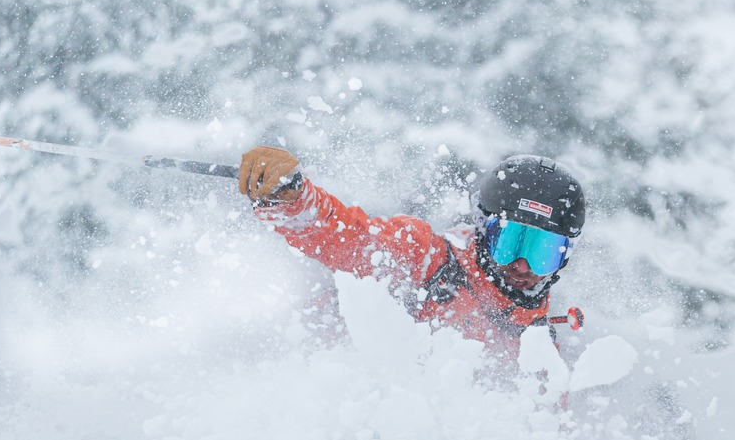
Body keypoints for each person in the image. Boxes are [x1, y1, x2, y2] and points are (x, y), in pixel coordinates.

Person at [236, 144, 585, 350]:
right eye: (510, 244)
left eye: (544, 252)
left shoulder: (541, 339)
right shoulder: (427, 260)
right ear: (482, 228)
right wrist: (295, 201)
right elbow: (350, 238)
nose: (523, 266)